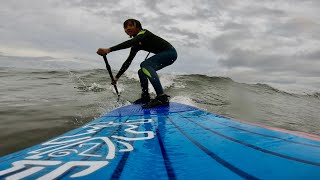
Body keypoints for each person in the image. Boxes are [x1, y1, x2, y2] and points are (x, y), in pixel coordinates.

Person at [97, 19, 177, 108]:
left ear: (138, 27)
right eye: (125, 27)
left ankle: (161, 97)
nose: (127, 29)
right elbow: (128, 62)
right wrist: (116, 77)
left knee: (145, 65)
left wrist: (109, 49)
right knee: (141, 71)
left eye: (130, 25)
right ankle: (145, 97)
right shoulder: (136, 44)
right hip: (166, 56)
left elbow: (131, 42)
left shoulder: (144, 33)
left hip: (170, 53)